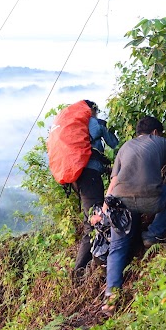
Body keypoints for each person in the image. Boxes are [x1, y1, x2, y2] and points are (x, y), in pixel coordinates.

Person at [95, 116, 166, 314]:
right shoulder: (161, 142)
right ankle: (153, 234)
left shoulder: (124, 148)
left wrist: (104, 211)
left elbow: (113, 184)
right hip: (151, 199)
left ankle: (110, 299)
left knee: (117, 247)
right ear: (155, 132)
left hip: (120, 202)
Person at [72, 100, 119, 279]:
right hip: (90, 178)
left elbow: (92, 158)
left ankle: (93, 263)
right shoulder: (96, 123)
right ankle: (81, 273)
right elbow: (115, 144)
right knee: (93, 221)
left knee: (93, 218)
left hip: (78, 178)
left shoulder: (76, 128)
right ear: (91, 110)